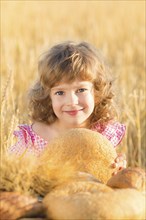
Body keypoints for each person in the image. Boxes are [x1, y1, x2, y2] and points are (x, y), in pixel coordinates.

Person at [8, 41, 127, 173]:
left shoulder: (102, 134)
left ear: (97, 92)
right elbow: (10, 174)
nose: (71, 101)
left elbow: (105, 176)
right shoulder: (34, 139)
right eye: (60, 92)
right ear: (49, 97)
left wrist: (118, 168)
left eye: (81, 90)